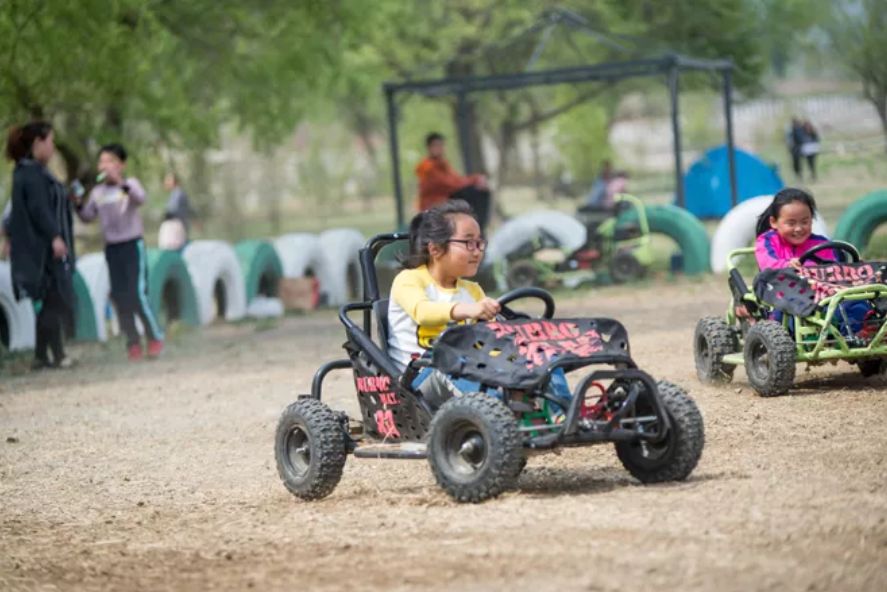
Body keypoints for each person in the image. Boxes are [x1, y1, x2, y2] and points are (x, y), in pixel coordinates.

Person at [387, 199, 571, 413]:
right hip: (420, 379)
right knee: (451, 364)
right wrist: (469, 309)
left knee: (539, 353)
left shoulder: (472, 290)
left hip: (467, 368)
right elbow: (423, 312)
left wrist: (522, 353)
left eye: (479, 243)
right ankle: (503, 412)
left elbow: (489, 340)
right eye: (468, 243)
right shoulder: (409, 280)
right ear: (435, 249)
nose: (477, 252)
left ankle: (565, 415)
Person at [77, 143, 164, 361]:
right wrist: (77, 203)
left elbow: (140, 198)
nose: (104, 166)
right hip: (112, 248)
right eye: (102, 161)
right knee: (119, 296)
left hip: (132, 246)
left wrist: (120, 183)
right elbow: (87, 216)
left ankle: (154, 336)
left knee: (137, 294)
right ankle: (132, 342)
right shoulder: (97, 192)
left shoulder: (129, 185)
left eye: (110, 161)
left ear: (121, 165)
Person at [5, 121, 77, 369]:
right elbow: (39, 210)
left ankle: (50, 356)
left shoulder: (29, 172)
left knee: (50, 300)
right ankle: (45, 355)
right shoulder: (31, 174)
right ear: (38, 142)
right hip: (43, 250)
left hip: (39, 249)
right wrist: (55, 236)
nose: (53, 147)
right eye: (51, 141)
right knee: (57, 298)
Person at [754, 188, 871, 338]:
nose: (798, 228)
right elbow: (767, 263)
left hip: (824, 296)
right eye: (791, 223)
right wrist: (787, 265)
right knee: (787, 313)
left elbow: (834, 269)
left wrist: (852, 270)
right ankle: (829, 334)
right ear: (774, 222)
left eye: (805, 222)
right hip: (787, 298)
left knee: (856, 302)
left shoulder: (821, 243)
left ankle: (860, 331)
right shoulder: (768, 241)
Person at [414, 132, 491, 230]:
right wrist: (475, 179)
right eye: (436, 145)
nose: (439, 148)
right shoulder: (427, 167)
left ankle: (478, 226)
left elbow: (456, 179)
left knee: (478, 191)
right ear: (429, 147)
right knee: (473, 192)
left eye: (441, 145)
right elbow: (450, 184)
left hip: (447, 199)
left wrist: (476, 179)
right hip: (435, 203)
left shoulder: (442, 163)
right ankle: (478, 227)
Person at [162, 172, 196, 242]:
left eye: (168, 180)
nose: (166, 183)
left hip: (179, 228)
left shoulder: (178, 193)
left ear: (174, 182)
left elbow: (173, 210)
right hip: (177, 228)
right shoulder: (173, 194)